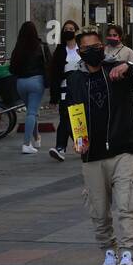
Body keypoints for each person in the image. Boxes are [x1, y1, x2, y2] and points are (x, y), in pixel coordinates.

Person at [63, 30, 133, 265]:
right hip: (91, 154)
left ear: (103, 47)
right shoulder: (75, 79)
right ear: (80, 52)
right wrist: (77, 140)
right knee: (98, 208)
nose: (94, 50)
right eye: (87, 48)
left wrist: (130, 67)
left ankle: (127, 253)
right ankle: (108, 251)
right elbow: (72, 112)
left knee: (127, 203)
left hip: (122, 148)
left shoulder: (118, 70)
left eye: (98, 45)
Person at [9, 21, 49, 155]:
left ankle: (36, 138)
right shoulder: (41, 46)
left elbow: (12, 67)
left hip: (20, 83)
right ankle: (26, 144)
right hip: (36, 81)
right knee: (32, 112)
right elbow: (49, 62)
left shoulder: (18, 48)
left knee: (32, 110)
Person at [47, 19, 82, 162]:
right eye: (66, 29)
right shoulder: (60, 51)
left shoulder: (82, 48)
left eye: (71, 28)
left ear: (76, 31)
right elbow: (54, 74)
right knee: (65, 117)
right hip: (64, 88)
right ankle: (61, 148)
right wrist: (53, 97)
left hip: (80, 88)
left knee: (78, 117)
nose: (69, 31)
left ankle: (82, 145)